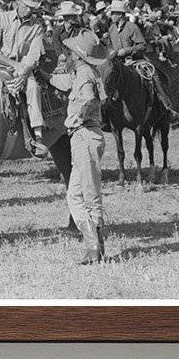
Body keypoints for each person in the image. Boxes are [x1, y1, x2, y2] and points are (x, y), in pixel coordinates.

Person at [0, 0, 49, 156]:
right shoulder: (3, 18)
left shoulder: (36, 26)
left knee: (33, 86)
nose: (29, 9)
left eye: (32, 6)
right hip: (1, 65)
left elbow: (34, 55)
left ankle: (37, 133)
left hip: (23, 69)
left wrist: (23, 71)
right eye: (27, 5)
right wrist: (14, 65)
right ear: (19, 2)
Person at [62, 30, 109, 264]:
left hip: (85, 136)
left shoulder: (83, 73)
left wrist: (76, 118)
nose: (66, 55)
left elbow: (89, 98)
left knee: (89, 194)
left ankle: (94, 248)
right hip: (85, 137)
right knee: (74, 195)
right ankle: (94, 242)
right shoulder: (86, 71)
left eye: (70, 52)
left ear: (78, 56)